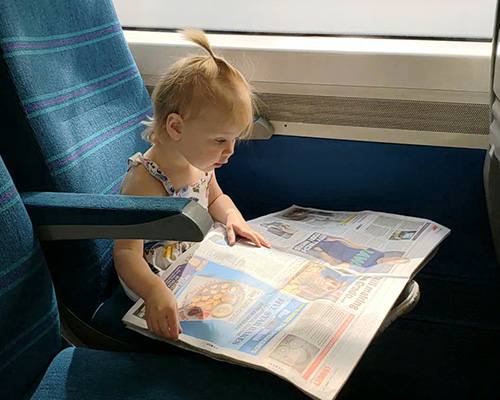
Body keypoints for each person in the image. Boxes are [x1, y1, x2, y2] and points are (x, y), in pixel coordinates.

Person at [113, 29, 270, 341]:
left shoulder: (199, 162)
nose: (231, 151)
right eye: (220, 140)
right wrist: (155, 291)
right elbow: (127, 254)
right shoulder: (145, 180)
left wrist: (232, 217)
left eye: (234, 139)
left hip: (192, 255)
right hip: (152, 277)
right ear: (176, 127)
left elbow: (215, 199)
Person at [312, 237, 409, 269]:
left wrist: (321, 251)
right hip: (335, 242)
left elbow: (336, 264)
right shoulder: (378, 253)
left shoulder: (367, 267)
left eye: (395, 261)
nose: (392, 259)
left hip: (327, 251)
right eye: (396, 258)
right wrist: (338, 239)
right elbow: (354, 246)